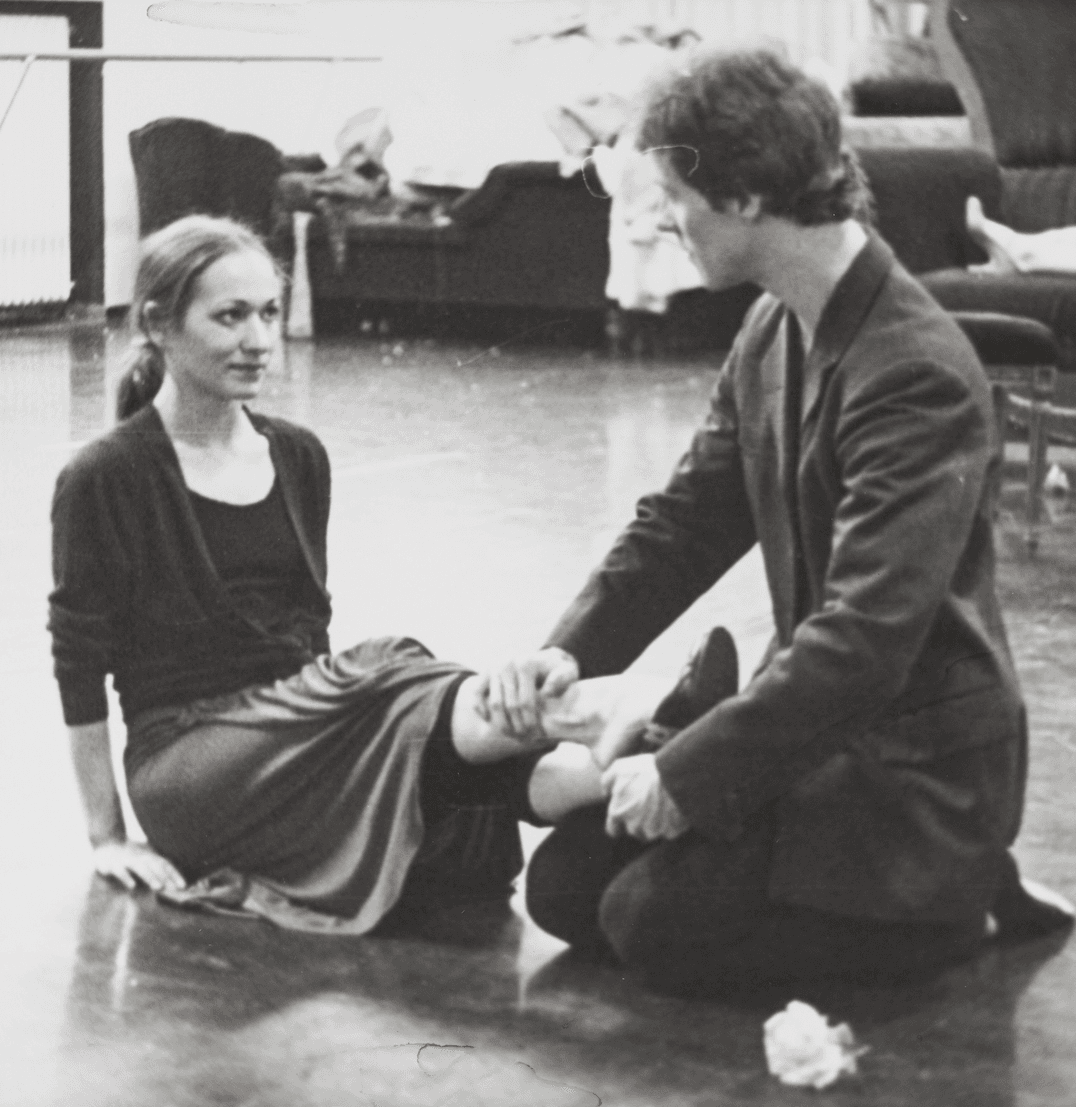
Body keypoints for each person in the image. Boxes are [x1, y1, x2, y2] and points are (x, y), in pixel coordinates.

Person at [484, 48, 1076, 996]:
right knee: (563, 889)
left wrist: (683, 772)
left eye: (673, 193)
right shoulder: (774, 326)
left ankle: (965, 901)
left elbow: (865, 642)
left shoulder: (915, 369)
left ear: (748, 195)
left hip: (913, 771)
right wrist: (570, 652)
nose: (658, 219)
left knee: (645, 921)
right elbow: (684, 524)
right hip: (823, 727)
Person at [47, 215, 683, 935]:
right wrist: (106, 834)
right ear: (160, 324)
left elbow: (308, 638)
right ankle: (593, 711)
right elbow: (79, 665)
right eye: (229, 317)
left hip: (299, 729)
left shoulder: (297, 456)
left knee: (438, 816)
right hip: (193, 768)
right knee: (383, 666)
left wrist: (350, 745)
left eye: (268, 313)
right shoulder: (104, 476)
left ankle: (635, 766)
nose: (258, 340)